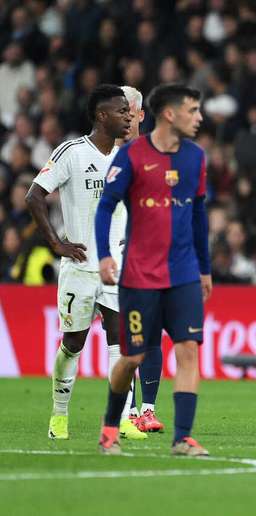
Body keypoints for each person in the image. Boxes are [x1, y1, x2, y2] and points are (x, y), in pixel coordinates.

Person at [25, 84, 147, 441]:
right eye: (122, 111)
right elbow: (35, 196)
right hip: (79, 267)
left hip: (116, 266)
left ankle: (121, 419)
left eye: (130, 111)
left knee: (121, 341)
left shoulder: (129, 157)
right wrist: (56, 243)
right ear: (101, 116)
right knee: (73, 343)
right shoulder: (71, 153)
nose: (128, 116)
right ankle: (59, 414)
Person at [95, 84, 211, 456]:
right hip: (140, 276)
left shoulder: (196, 158)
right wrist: (103, 256)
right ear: (169, 114)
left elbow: (198, 215)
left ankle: (183, 437)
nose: (200, 118)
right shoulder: (132, 156)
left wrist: (205, 269)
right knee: (132, 358)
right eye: (193, 110)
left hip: (184, 274)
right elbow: (105, 207)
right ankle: (111, 428)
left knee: (189, 349)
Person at [119, 85, 166, 434]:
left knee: (148, 336)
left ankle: (144, 410)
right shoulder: (97, 154)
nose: (120, 118)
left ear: (140, 115)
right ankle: (121, 414)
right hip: (103, 260)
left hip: (144, 258)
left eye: (126, 111)